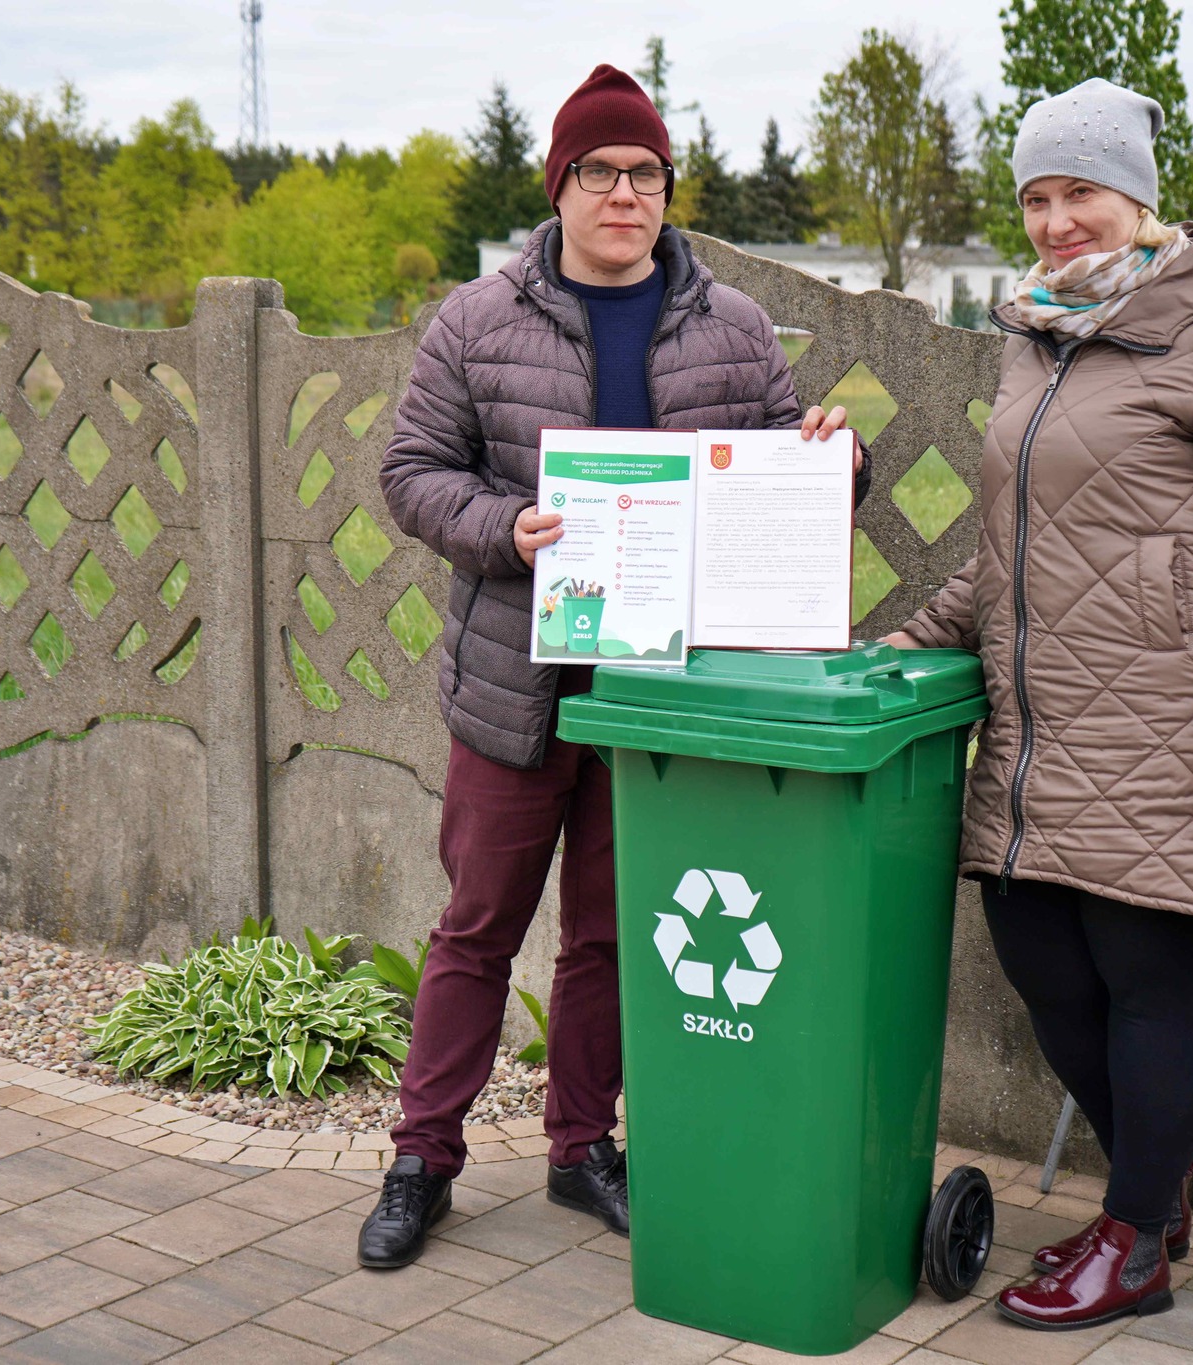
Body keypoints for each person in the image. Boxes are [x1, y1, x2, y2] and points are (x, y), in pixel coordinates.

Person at [365, 63, 866, 1270]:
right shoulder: (477, 321)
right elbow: (410, 473)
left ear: (665, 190)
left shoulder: (735, 329)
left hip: (663, 694)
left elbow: (782, 490)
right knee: (477, 926)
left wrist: (830, 468)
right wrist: (505, 529)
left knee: (608, 932)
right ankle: (421, 1158)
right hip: (516, 687)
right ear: (560, 186)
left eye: (645, 173)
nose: (626, 193)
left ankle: (579, 1146)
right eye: (600, 171)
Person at [883, 77, 1193, 1330]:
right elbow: (1012, 548)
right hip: (1036, 734)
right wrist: (901, 646)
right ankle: (1154, 1185)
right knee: (1042, 968)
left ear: (1136, 194)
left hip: (1172, 726)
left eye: (1077, 190)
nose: (1053, 219)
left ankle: (1135, 1241)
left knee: (1145, 981)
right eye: (1034, 197)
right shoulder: (1035, 331)